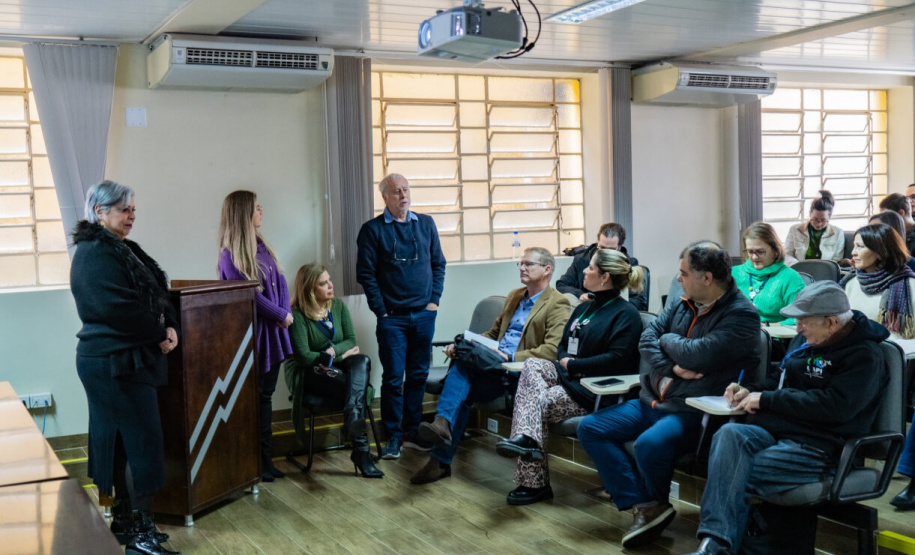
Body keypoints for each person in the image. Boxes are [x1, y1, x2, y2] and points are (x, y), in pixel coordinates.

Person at [577, 241, 761, 549]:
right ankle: (645, 505)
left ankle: (653, 505)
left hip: (690, 409)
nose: (678, 279)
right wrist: (673, 368)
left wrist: (669, 339)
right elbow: (647, 339)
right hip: (651, 398)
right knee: (591, 427)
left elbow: (699, 355)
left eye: (684, 273)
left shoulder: (742, 315)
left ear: (707, 278)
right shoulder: (681, 301)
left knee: (650, 443)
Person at [686, 281, 889, 555]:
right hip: (778, 435)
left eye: (804, 322)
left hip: (822, 448)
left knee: (729, 468)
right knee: (729, 436)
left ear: (831, 322)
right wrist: (749, 390)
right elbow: (777, 381)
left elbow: (836, 408)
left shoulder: (865, 356)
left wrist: (768, 400)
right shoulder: (806, 341)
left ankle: (719, 544)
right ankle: (718, 543)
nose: (797, 329)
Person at [70, 181, 180, 555]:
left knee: (123, 443)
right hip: (114, 362)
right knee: (140, 445)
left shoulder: (122, 248)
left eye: (133, 209)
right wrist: (159, 333)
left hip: (123, 359)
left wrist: (170, 327)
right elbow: (116, 309)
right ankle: (142, 535)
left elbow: (157, 294)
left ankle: (126, 523)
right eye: (124, 209)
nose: (132, 216)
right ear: (100, 211)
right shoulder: (94, 253)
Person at [494, 249, 644, 505]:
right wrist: (568, 362)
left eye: (591, 269)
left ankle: (533, 482)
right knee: (531, 365)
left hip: (592, 390)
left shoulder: (626, 315)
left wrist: (574, 364)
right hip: (569, 375)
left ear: (605, 277)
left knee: (536, 402)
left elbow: (617, 360)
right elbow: (562, 345)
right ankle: (527, 440)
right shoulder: (586, 307)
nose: (584, 271)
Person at [410, 247, 571, 485]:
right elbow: (494, 333)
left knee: (462, 374)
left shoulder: (558, 303)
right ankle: (441, 446)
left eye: (529, 264)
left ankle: (441, 442)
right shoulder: (516, 295)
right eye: (521, 263)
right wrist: (470, 343)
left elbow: (551, 349)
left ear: (547, 269)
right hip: (491, 368)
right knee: (463, 365)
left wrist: (509, 356)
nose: (522, 268)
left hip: (517, 373)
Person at [356, 173, 447, 459]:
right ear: (385, 197)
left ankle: (412, 433)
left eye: (406, 189)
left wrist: (434, 302)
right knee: (394, 378)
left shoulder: (426, 224)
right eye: (396, 191)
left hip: (424, 315)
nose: (403, 195)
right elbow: (366, 274)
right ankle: (393, 437)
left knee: (418, 377)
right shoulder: (372, 230)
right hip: (392, 318)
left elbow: (439, 264)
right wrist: (381, 310)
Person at [217, 190, 293, 483]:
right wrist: (279, 315)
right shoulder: (230, 255)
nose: (261, 211)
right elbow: (248, 294)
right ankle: (257, 463)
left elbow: (281, 281)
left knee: (266, 397)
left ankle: (266, 460)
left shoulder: (262, 247)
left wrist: (284, 312)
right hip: (255, 334)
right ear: (243, 214)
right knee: (257, 399)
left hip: (274, 330)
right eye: (256, 207)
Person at [286, 264, 383, 478]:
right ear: (310, 289)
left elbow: (351, 340)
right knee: (353, 383)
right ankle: (362, 451)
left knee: (362, 360)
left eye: (330, 280)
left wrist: (332, 352)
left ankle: (355, 428)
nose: (331, 285)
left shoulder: (337, 306)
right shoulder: (297, 315)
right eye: (323, 283)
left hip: (335, 371)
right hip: (310, 374)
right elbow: (304, 357)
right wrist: (339, 356)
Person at [841, 223, 915, 341]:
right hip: (858, 352)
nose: (853, 252)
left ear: (880, 252)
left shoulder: (909, 285)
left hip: (897, 352)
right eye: (854, 246)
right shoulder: (851, 282)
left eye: (860, 246)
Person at [556, 222, 648, 310]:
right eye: (602, 248)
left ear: (619, 247)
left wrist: (611, 305)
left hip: (614, 311)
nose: (605, 253)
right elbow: (562, 284)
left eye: (611, 249)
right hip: (586, 308)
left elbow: (638, 302)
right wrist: (580, 294)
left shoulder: (628, 264)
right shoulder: (582, 260)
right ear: (597, 242)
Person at [732, 222, 805, 324]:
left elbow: (799, 318)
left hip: (772, 336)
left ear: (775, 249)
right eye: (750, 252)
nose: (754, 257)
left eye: (760, 251)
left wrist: (769, 328)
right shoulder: (733, 274)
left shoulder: (790, 278)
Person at [784, 190, 846, 266]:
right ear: (810, 214)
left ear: (829, 217)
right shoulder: (795, 230)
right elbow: (787, 254)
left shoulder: (838, 233)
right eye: (815, 219)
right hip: (799, 271)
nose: (819, 224)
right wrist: (798, 266)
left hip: (825, 272)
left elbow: (836, 260)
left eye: (823, 220)